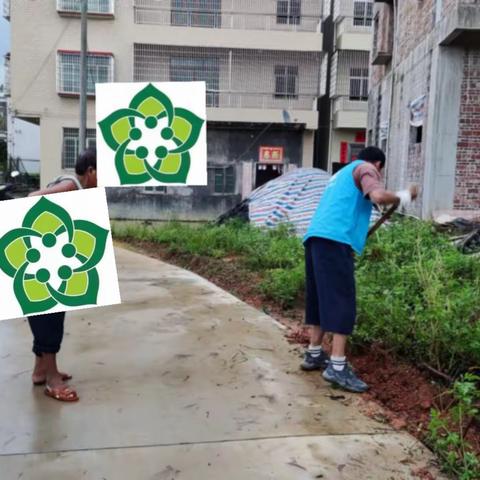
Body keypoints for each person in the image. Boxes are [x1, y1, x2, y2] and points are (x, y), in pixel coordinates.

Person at [300, 146, 417, 393]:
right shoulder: (366, 168)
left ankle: (314, 354)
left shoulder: (340, 175)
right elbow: (376, 196)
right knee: (343, 300)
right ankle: (337, 367)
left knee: (320, 299)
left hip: (315, 239)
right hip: (334, 241)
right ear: (379, 165)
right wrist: (404, 195)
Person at [28, 147, 97, 402]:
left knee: (45, 316)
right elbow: (33, 197)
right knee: (50, 320)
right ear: (90, 171)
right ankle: (52, 380)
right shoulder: (70, 186)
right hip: (41, 266)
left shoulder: (69, 183)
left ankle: (40, 371)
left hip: (44, 265)